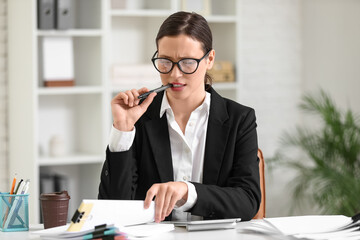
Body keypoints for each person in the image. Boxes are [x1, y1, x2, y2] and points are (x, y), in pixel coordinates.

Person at [98, 11, 260, 223]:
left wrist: (188, 192)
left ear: (209, 59)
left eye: (187, 62)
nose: (174, 74)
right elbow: (113, 207)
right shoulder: (140, 119)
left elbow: (247, 201)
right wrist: (123, 130)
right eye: (165, 61)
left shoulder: (240, 119)